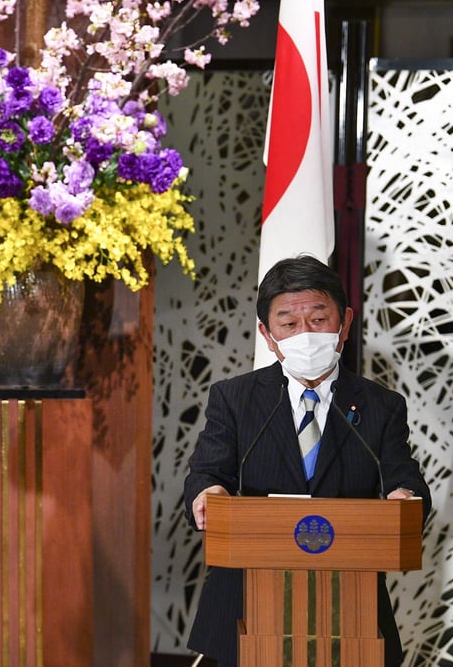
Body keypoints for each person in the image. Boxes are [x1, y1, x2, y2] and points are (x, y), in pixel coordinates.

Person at [183, 255, 431, 667]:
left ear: (344, 323)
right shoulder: (235, 397)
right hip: (246, 603)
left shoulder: (381, 405)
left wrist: (404, 496)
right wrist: (208, 493)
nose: (306, 334)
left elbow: (404, 477)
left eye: (318, 319)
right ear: (267, 334)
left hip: (351, 610)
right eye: (289, 324)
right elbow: (208, 472)